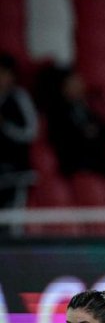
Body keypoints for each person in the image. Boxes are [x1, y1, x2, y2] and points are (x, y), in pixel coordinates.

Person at [0, 53, 39, 208]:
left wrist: (5, 126)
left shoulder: (20, 97)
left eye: (3, 73)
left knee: (13, 220)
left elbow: (31, 132)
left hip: (16, 170)